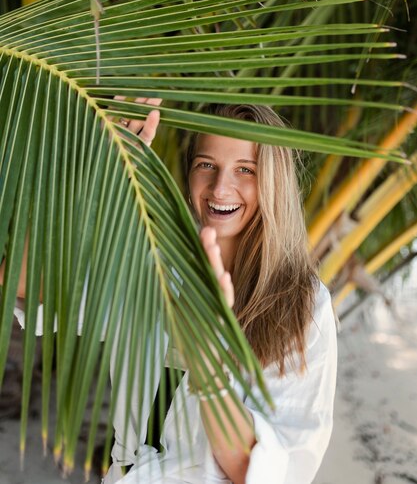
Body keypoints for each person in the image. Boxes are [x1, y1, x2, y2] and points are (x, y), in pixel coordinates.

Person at [7, 101, 337, 484]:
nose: (220, 187)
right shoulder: (151, 255)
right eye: (206, 165)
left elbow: (261, 471)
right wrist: (95, 171)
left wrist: (207, 359)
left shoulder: (304, 305)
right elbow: (21, 281)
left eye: (245, 169)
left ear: (273, 181)